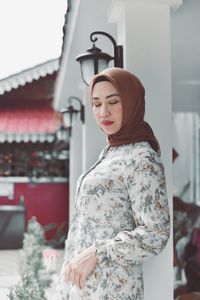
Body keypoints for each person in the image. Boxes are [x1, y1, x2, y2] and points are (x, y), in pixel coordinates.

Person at [56, 67, 170, 300]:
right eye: (96, 104)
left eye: (113, 101)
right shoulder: (111, 152)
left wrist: (98, 252)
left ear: (131, 103)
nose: (103, 111)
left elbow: (156, 233)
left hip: (112, 291)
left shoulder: (142, 158)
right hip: (81, 289)